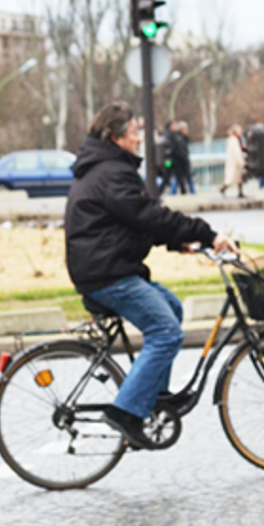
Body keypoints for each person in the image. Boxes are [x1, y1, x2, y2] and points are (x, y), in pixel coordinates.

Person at [65, 101, 237, 450]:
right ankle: (127, 413)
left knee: (171, 308)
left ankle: (153, 400)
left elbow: (133, 223)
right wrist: (207, 234)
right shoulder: (111, 172)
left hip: (107, 266)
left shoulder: (105, 167)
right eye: (134, 134)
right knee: (166, 332)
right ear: (114, 137)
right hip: (107, 273)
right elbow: (147, 215)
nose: (139, 140)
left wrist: (180, 242)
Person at [167, 120, 194, 195]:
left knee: (178, 179)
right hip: (181, 162)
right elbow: (181, 152)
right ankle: (191, 192)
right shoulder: (180, 139)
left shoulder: (178, 138)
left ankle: (173, 193)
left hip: (179, 162)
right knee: (184, 178)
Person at [219, 123, 245, 198]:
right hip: (234, 162)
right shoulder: (234, 140)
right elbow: (237, 152)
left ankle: (240, 192)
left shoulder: (234, 140)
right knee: (232, 178)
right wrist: (241, 161)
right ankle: (223, 189)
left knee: (238, 178)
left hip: (234, 161)